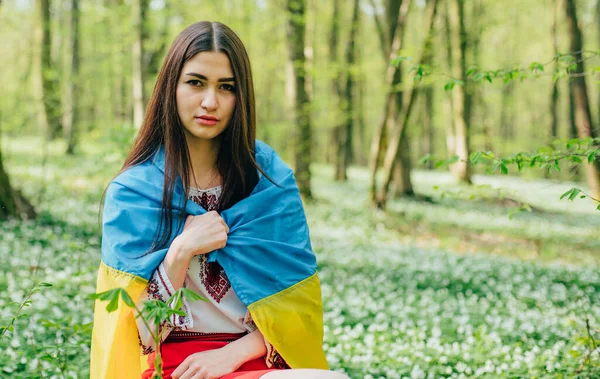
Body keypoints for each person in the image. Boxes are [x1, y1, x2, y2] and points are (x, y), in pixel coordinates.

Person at [90, 21, 350, 379]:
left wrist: (232, 354)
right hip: (176, 368)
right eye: (196, 83)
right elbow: (138, 336)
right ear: (171, 88)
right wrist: (180, 252)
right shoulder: (135, 193)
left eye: (226, 87)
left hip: (257, 360)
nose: (210, 102)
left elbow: (297, 311)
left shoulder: (269, 182)